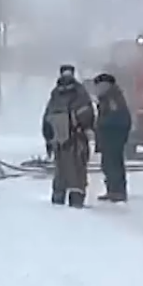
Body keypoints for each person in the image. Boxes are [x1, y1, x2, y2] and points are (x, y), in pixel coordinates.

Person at [41, 63, 95, 207]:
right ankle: (58, 197)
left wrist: (82, 126)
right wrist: (48, 136)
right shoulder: (55, 94)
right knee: (60, 171)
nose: (66, 76)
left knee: (77, 171)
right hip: (59, 141)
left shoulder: (80, 93)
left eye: (68, 73)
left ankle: (76, 199)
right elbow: (48, 116)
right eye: (64, 73)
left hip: (76, 139)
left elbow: (87, 113)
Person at [92, 72, 133, 202]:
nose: (97, 89)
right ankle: (112, 190)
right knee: (108, 164)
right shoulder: (107, 97)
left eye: (99, 86)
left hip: (113, 135)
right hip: (109, 135)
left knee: (113, 163)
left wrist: (102, 125)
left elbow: (117, 117)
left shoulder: (112, 98)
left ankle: (118, 191)